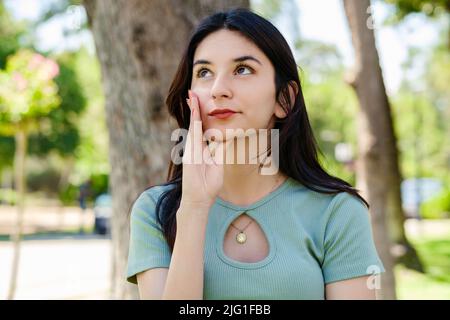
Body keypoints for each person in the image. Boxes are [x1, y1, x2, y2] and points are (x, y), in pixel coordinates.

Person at [126, 8, 385, 300]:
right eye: (204, 72)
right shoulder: (155, 211)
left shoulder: (338, 213)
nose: (218, 89)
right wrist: (195, 208)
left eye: (242, 69)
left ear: (284, 99)